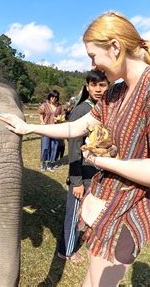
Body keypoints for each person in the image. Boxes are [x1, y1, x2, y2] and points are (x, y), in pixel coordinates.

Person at [0, 11, 150, 286]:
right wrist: (29, 128)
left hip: (128, 211)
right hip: (103, 206)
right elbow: (78, 127)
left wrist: (102, 162)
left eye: (93, 56)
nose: (94, 65)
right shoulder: (116, 92)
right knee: (92, 276)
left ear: (115, 47)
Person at [57, 70, 109, 264]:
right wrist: (76, 180)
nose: (98, 89)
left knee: (87, 211)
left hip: (95, 172)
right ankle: (66, 250)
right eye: (93, 85)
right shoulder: (82, 111)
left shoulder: (101, 108)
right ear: (87, 87)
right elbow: (74, 148)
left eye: (102, 85)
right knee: (75, 213)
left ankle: (79, 241)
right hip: (82, 174)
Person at [38, 90, 64, 172]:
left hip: (55, 130)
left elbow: (62, 115)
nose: (54, 98)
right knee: (45, 147)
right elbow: (41, 114)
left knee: (54, 147)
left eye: (56, 97)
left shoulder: (59, 106)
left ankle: (50, 164)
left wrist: (60, 120)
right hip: (46, 129)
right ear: (50, 96)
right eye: (52, 96)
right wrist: (42, 122)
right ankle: (43, 163)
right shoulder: (45, 105)